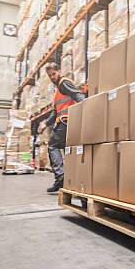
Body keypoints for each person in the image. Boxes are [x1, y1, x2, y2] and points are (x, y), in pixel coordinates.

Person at [38, 63, 85, 193]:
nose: (52, 77)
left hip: (65, 122)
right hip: (66, 122)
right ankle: (71, 180)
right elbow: (55, 111)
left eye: (53, 74)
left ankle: (60, 177)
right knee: (68, 151)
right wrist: (45, 124)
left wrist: (88, 108)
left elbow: (78, 95)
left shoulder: (64, 83)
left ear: (59, 71)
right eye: (50, 76)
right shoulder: (58, 89)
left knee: (52, 146)